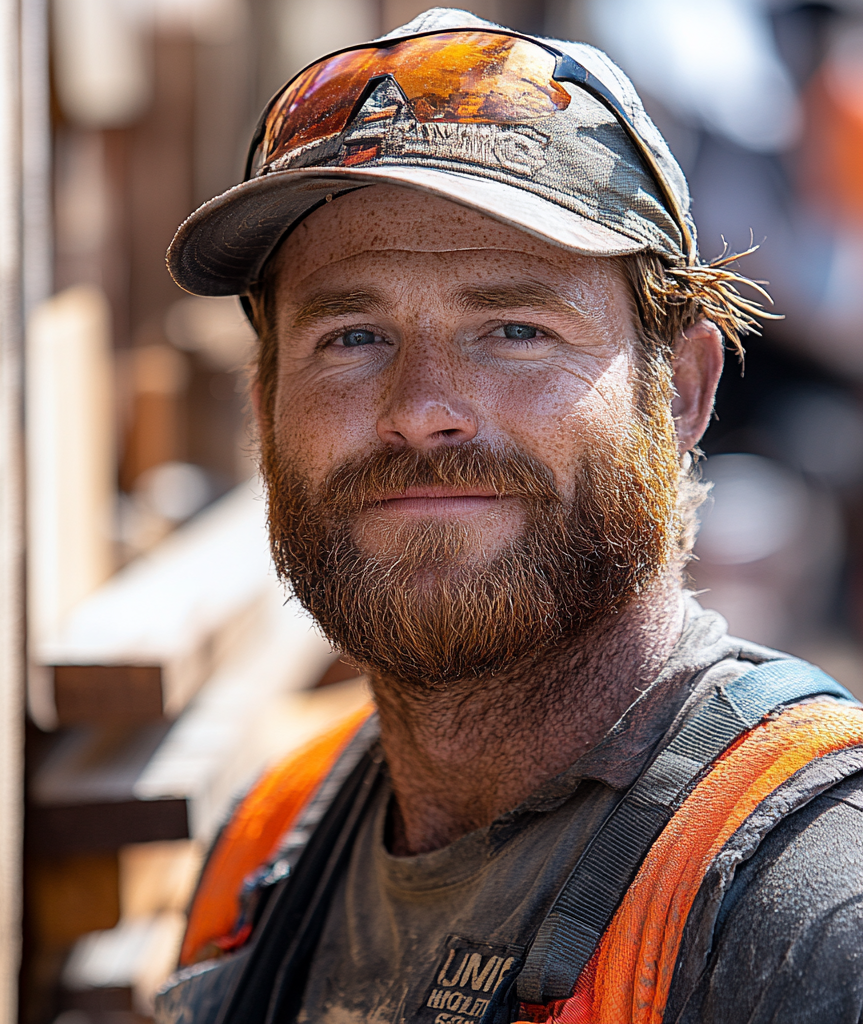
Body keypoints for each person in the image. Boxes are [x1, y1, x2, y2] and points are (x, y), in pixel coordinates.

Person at [156, 9, 863, 1024]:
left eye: (515, 329)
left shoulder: (804, 905)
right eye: (352, 335)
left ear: (683, 392)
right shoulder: (267, 850)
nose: (421, 410)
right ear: (264, 402)